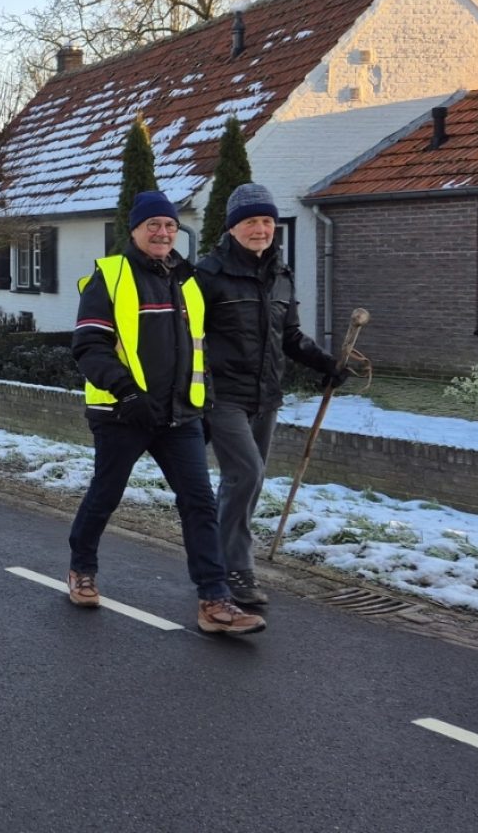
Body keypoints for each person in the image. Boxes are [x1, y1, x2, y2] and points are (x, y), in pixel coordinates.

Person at [67, 190, 265, 636]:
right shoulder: (111, 276)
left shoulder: (187, 281)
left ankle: (214, 601)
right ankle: (82, 568)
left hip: (180, 417)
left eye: (170, 226)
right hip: (123, 415)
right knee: (106, 494)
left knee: (198, 503)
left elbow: (198, 350)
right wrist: (127, 394)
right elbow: (88, 347)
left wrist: (205, 403)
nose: (162, 232)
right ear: (134, 230)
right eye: (153, 225)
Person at [196, 183, 344, 607]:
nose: (260, 229)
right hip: (221, 396)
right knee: (246, 474)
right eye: (250, 222)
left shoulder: (280, 274)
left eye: (266, 221)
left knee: (246, 482)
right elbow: (187, 336)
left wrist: (327, 364)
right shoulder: (208, 274)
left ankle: (218, 559)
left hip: (266, 396)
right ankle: (237, 571)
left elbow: (290, 336)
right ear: (232, 227)